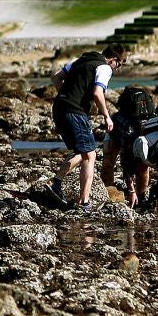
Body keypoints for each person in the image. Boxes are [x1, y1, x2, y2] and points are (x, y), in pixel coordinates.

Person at [50, 43, 126, 212]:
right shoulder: (104, 67)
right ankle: (84, 202)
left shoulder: (82, 60)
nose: (117, 69)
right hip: (74, 112)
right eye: (119, 65)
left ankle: (56, 183)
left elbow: (55, 77)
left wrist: (66, 96)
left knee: (82, 151)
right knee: (90, 155)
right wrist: (106, 116)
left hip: (59, 108)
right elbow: (98, 93)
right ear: (113, 60)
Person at [102, 86, 158, 208]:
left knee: (142, 166)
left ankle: (141, 197)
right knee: (109, 159)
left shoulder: (154, 129)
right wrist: (131, 190)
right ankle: (111, 194)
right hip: (117, 129)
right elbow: (126, 164)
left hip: (137, 137)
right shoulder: (125, 128)